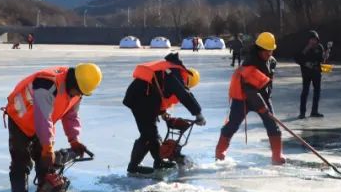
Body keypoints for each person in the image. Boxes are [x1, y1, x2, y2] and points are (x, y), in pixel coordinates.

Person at [2, 63, 101, 192]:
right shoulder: (47, 84)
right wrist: (47, 148)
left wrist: (74, 140)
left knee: (46, 164)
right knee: (21, 165)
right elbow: (43, 117)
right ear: (73, 82)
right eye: (78, 91)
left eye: (81, 93)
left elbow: (71, 116)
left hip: (41, 124)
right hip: (20, 119)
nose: (78, 95)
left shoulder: (76, 91)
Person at [122, 53, 206, 175]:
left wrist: (162, 112)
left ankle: (158, 161)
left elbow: (157, 88)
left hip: (143, 97)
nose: (186, 87)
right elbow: (184, 94)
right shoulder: (173, 74)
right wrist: (198, 114)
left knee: (151, 134)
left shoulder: (169, 70)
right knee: (149, 135)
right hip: (141, 99)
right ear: (187, 79)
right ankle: (134, 167)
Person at [215, 32, 284, 165]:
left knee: (273, 126)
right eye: (266, 51)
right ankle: (220, 152)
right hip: (243, 98)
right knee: (232, 124)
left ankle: (277, 155)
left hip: (262, 96)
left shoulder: (271, 61)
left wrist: (266, 101)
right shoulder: (250, 63)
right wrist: (263, 107)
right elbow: (250, 90)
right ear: (259, 49)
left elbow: (267, 83)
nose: (269, 53)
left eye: (271, 51)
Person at [295, 30, 326, 119]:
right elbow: (297, 58)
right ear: (308, 40)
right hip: (306, 72)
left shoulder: (319, 47)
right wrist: (305, 63)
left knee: (317, 91)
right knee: (305, 91)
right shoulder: (304, 47)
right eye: (311, 39)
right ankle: (302, 112)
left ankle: (314, 111)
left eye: (315, 39)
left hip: (316, 72)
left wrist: (324, 57)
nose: (313, 41)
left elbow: (321, 60)